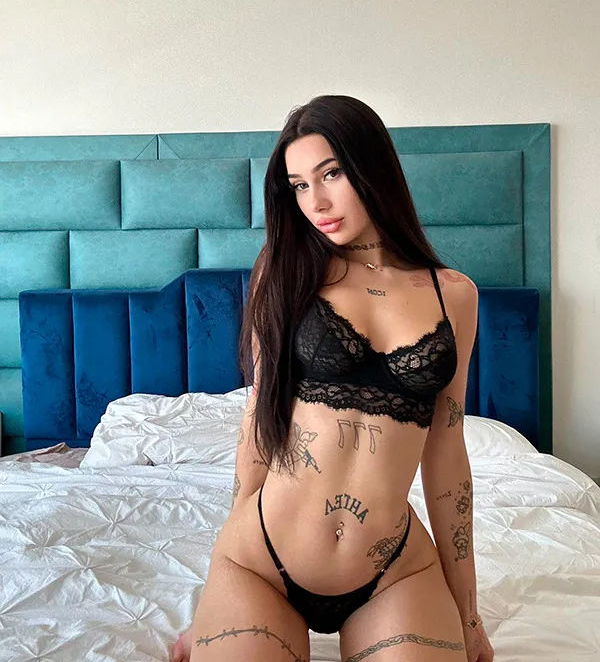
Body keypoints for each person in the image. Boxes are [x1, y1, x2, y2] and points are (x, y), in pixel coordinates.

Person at [169, 95, 494, 662]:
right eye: (298, 185)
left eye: (331, 174)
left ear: (373, 168)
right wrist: (213, 606)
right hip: (262, 563)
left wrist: (468, 615)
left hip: (394, 571)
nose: (315, 202)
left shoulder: (454, 294)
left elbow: (447, 452)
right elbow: (260, 420)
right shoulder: (285, 269)